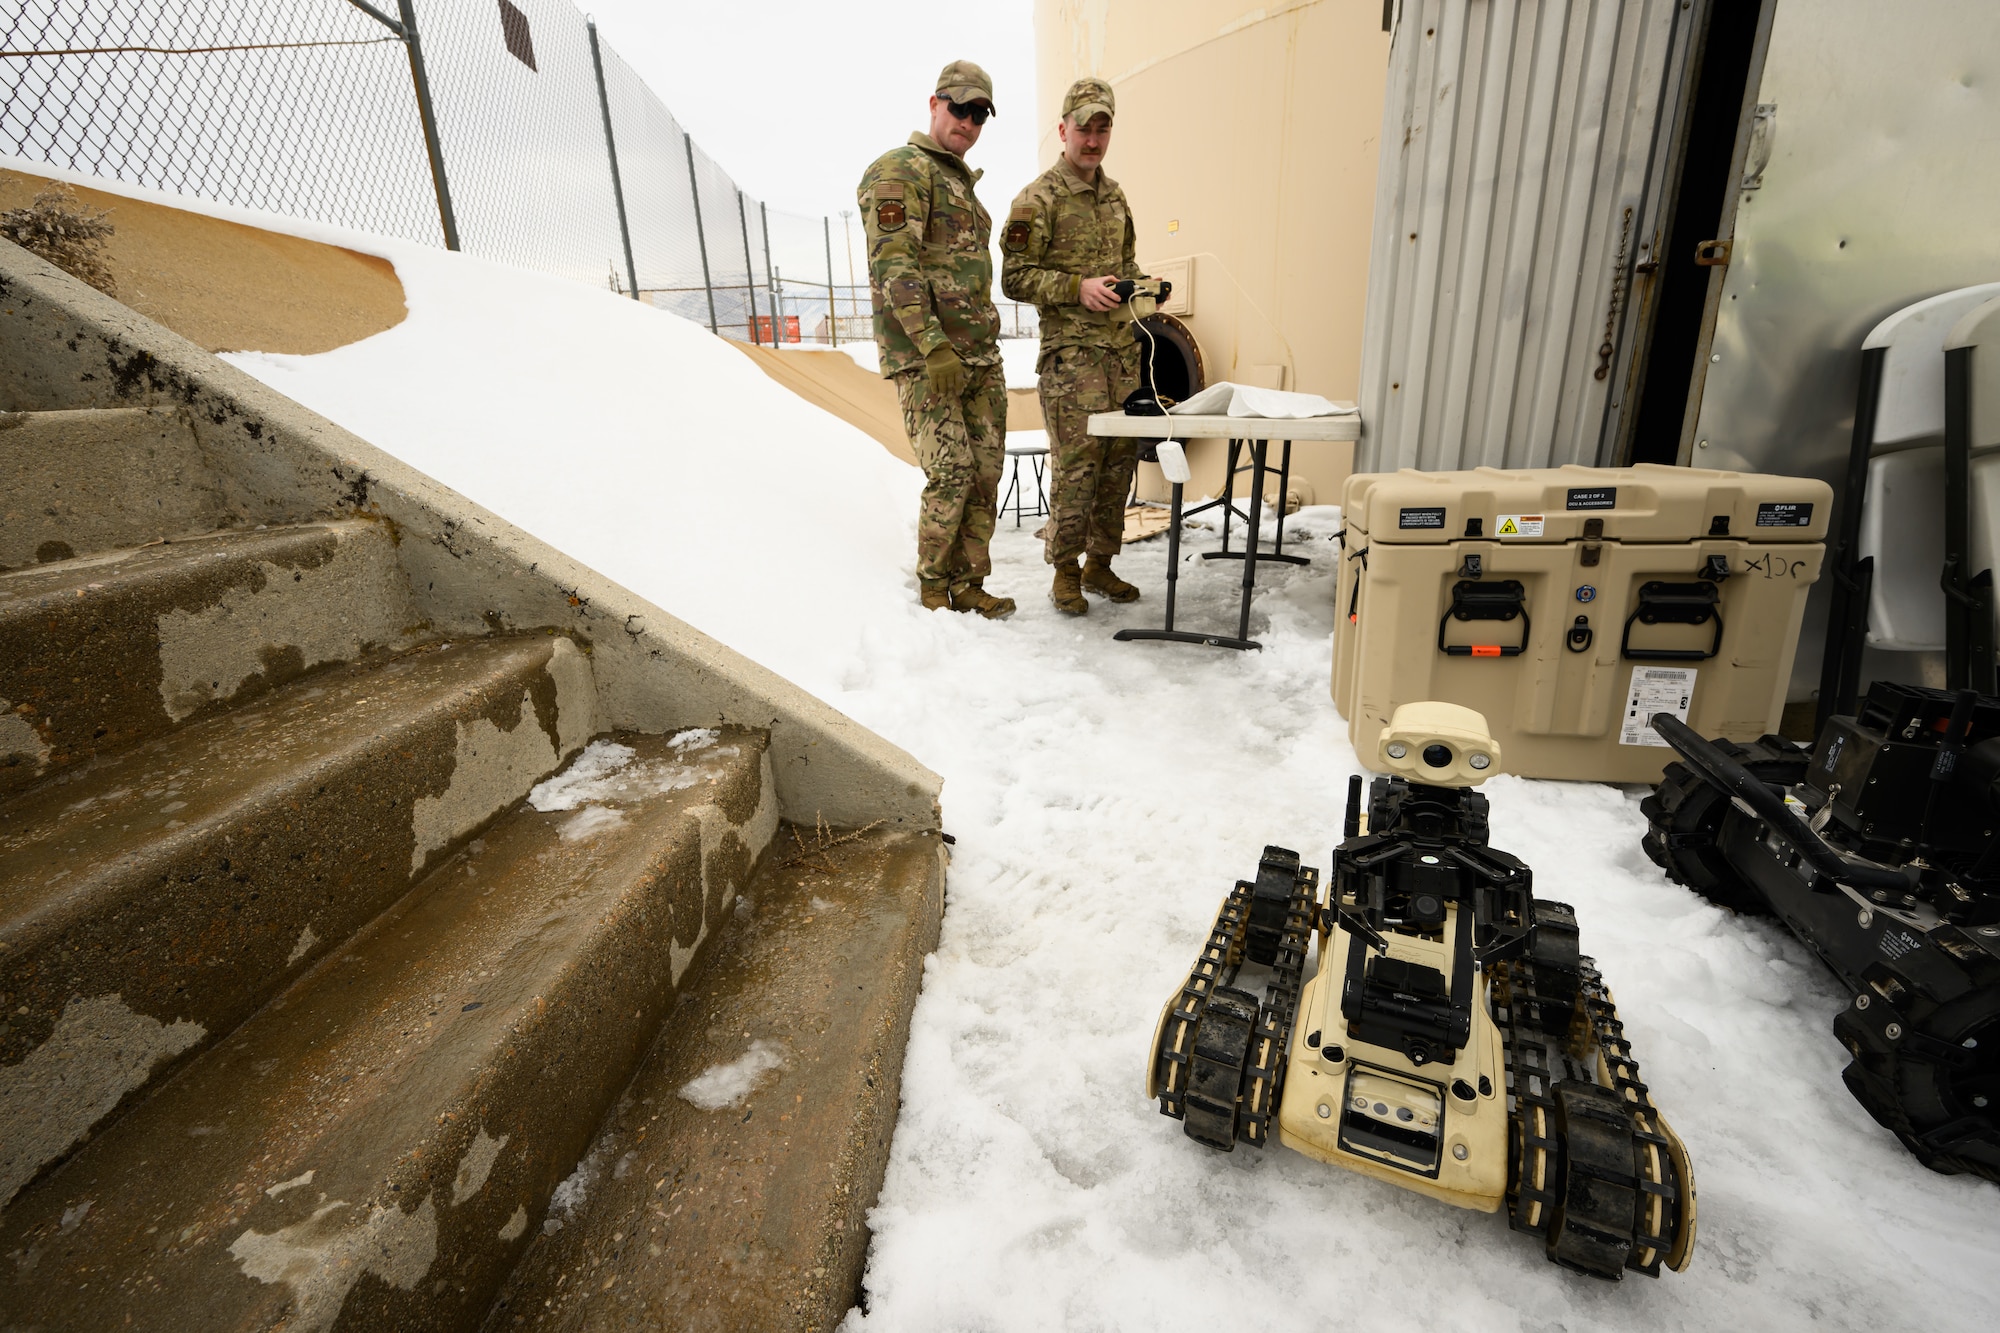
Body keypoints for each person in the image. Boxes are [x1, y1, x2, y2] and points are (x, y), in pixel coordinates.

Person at [856, 60, 1015, 619]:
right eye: (959, 107)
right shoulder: (901, 169)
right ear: (935, 102)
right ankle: (932, 589)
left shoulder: (963, 187)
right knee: (950, 471)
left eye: (979, 113)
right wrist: (932, 345)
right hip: (931, 360)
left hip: (979, 357)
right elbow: (894, 265)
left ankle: (969, 583)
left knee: (986, 473)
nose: (967, 121)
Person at [1000, 75, 1146, 615]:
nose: (1092, 139)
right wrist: (1074, 288)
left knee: (1117, 464)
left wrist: (1143, 287)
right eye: (1084, 128)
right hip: (1072, 360)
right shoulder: (1037, 199)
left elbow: (1126, 263)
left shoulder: (1115, 196)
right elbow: (1013, 278)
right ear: (1063, 129)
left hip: (1121, 355)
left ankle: (1100, 565)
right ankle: (1064, 571)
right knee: (1077, 467)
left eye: (1102, 128)